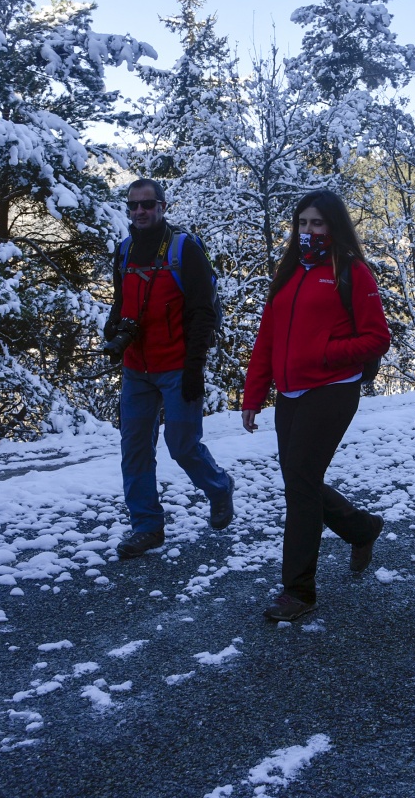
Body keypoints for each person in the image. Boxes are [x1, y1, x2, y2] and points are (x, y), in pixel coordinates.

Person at [241, 190, 390, 623]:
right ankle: (361, 528)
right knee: (299, 478)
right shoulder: (289, 270)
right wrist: (254, 394)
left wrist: (326, 352)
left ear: (334, 226)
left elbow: (378, 338)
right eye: (303, 223)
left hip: (331, 388)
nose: (309, 230)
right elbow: (267, 337)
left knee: (300, 484)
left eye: (318, 223)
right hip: (289, 393)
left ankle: (298, 590)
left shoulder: (352, 271)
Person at [105, 178, 236, 561]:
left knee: (182, 445)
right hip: (136, 369)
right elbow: (121, 301)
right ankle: (146, 527)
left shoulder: (184, 249)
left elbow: (203, 312)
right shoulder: (125, 251)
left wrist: (195, 367)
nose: (139, 211)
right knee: (134, 450)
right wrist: (114, 330)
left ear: (162, 207)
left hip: (178, 366)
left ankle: (219, 487)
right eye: (133, 205)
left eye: (147, 204)